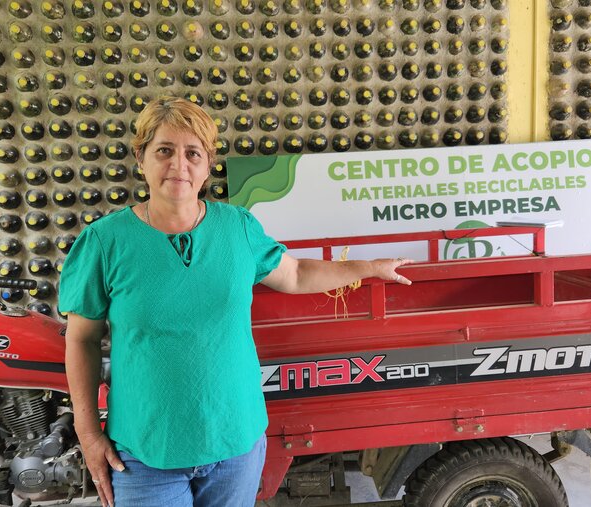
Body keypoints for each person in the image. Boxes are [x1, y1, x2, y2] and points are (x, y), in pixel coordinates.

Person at [60, 96, 411, 507]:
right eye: (164, 151)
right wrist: (88, 433)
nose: (179, 165)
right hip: (145, 450)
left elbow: (295, 274)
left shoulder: (237, 228)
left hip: (235, 443)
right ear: (141, 158)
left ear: (208, 165)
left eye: (193, 153)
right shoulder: (105, 242)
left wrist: (368, 268)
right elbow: (81, 340)